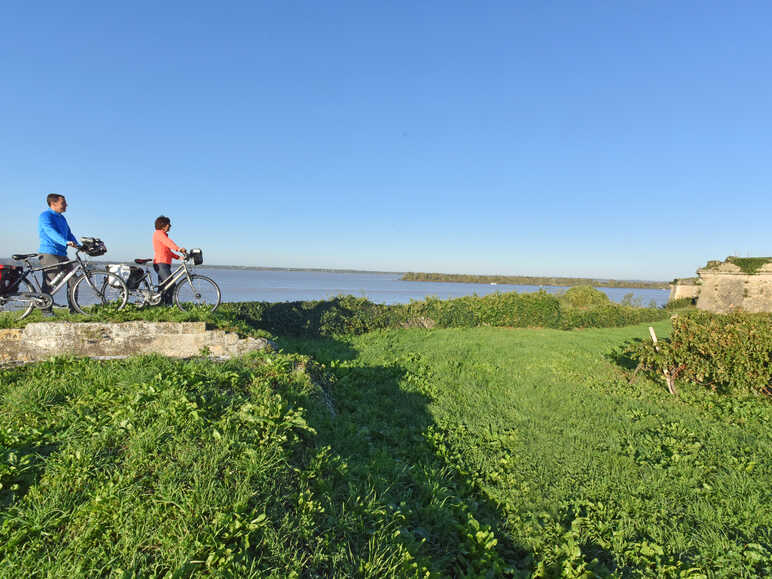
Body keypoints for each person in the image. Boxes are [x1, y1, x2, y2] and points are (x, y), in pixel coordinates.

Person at [38, 193, 79, 313]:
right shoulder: (45, 216)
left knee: (73, 279)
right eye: (63, 203)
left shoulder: (62, 218)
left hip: (62, 253)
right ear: (53, 203)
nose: (66, 205)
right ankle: (46, 311)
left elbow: (69, 234)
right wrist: (65, 242)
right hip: (49, 253)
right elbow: (50, 231)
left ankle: (74, 309)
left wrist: (79, 245)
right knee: (50, 282)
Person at [153, 215, 186, 305]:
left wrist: (178, 257)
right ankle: (168, 305)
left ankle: (159, 305)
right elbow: (168, 242)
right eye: (169, 224)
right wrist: (178, 249)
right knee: (170, 285)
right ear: (163, 225)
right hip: (160, 263)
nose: (170, 226)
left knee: (163, 286)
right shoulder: (159, 233)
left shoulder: (162, 235)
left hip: (164, 264)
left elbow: (167, 251)